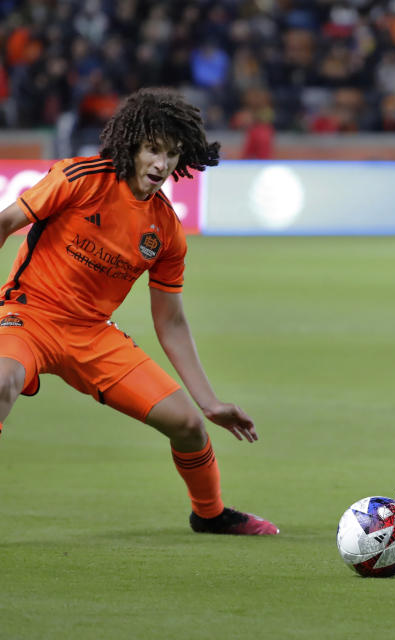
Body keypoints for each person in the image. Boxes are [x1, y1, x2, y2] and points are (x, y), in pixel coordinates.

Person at [0, 88, 278, 536]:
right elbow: (6, 222)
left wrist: (209, 403)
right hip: (28, 315)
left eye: (171, 154)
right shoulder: (80, 178)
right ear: (132, 145)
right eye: (153, 149)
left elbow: (169, 320)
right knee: (1, 380)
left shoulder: (166, 229)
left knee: (187, 425)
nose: (161, 164)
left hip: (92, 336)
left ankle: (209, 515)